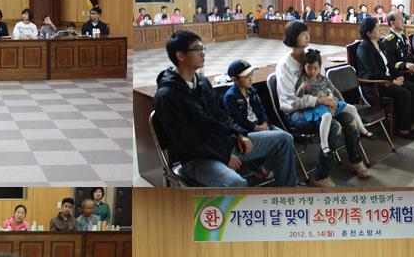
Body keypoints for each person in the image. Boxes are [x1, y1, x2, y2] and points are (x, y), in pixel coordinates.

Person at [154, 30, 297, 187]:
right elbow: (186, 142)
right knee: (236, 183)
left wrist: (239, 134)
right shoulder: (166, 96)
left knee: (284, 139)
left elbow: (220, 115)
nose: (203, 53)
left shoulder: (202, 82)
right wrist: (224, 156)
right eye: (197, 49)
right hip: (197, 158)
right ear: (180, 56)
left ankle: (287, 191)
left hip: (223, 144)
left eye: (203, 48)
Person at [276, 21, 366, 186]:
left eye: (307, 33)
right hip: (296, 113)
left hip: (321, 107)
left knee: (350, 119)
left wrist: (330, 100)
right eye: (303, 34)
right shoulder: (285, 65)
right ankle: (321, 176)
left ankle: (355, 160)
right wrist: (320, 100)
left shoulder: (312, 58)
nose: (308, 36)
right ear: (292, 37)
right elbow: (291, 100)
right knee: (334, 126)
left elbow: (325, 85)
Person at [296, 48, 375, 156]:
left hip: (330, 101)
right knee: (327, 116)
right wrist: (301, 88)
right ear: (304, 67)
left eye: (315, 68)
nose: (312, 71)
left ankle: (363, 130)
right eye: (309, 68)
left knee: (351, 108)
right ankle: (324, 144)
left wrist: (342, 100)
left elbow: (334, 89)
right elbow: (298, 96)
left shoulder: (323, 79)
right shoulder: (302, 80)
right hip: (317, 106)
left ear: (319, 67)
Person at [357, 17, 414, 140]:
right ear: (369, 33)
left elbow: (389, 64)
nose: (380, 30)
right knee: (405, 93)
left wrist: (398, 75)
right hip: (376, 85)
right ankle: (402, 128)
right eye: (377, 29)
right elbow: (373, 73)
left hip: (388, 79)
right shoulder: (364, 48)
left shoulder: (379, 43)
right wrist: (393, 81)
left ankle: (409, 123)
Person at [222, 59, 271, 133]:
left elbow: (261, 110)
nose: (250, 79)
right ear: (234, 79)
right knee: (284, 137)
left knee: (284, 135)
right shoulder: (230, 97)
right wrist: (258, 128)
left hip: (261, 126)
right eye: (246, 76)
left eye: (251, 74)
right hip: (248, 131)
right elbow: (239, 121)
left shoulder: (251, 90)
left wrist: (265, 123)